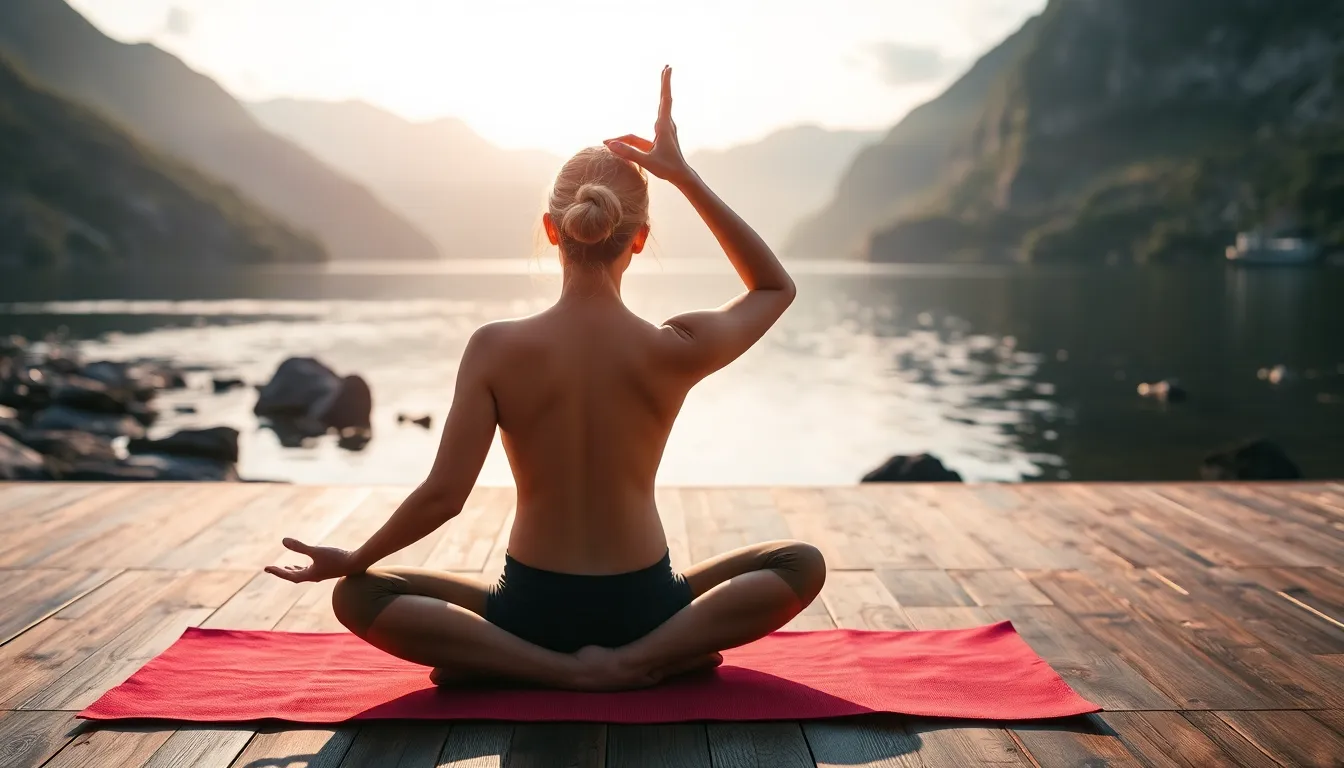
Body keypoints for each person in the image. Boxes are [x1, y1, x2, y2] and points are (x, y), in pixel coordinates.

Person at [265, 67, 826, 691]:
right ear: (638, 240)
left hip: (528, 612)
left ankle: (549, 670)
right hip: (647, 608)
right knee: (799, 562)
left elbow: (444, 496)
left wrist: (355, 558)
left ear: (552, 229)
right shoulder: (676, 347)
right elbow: (775, 287)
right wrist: (683, 175)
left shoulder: (495, 348)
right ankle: (639, 662)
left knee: (358, 596)